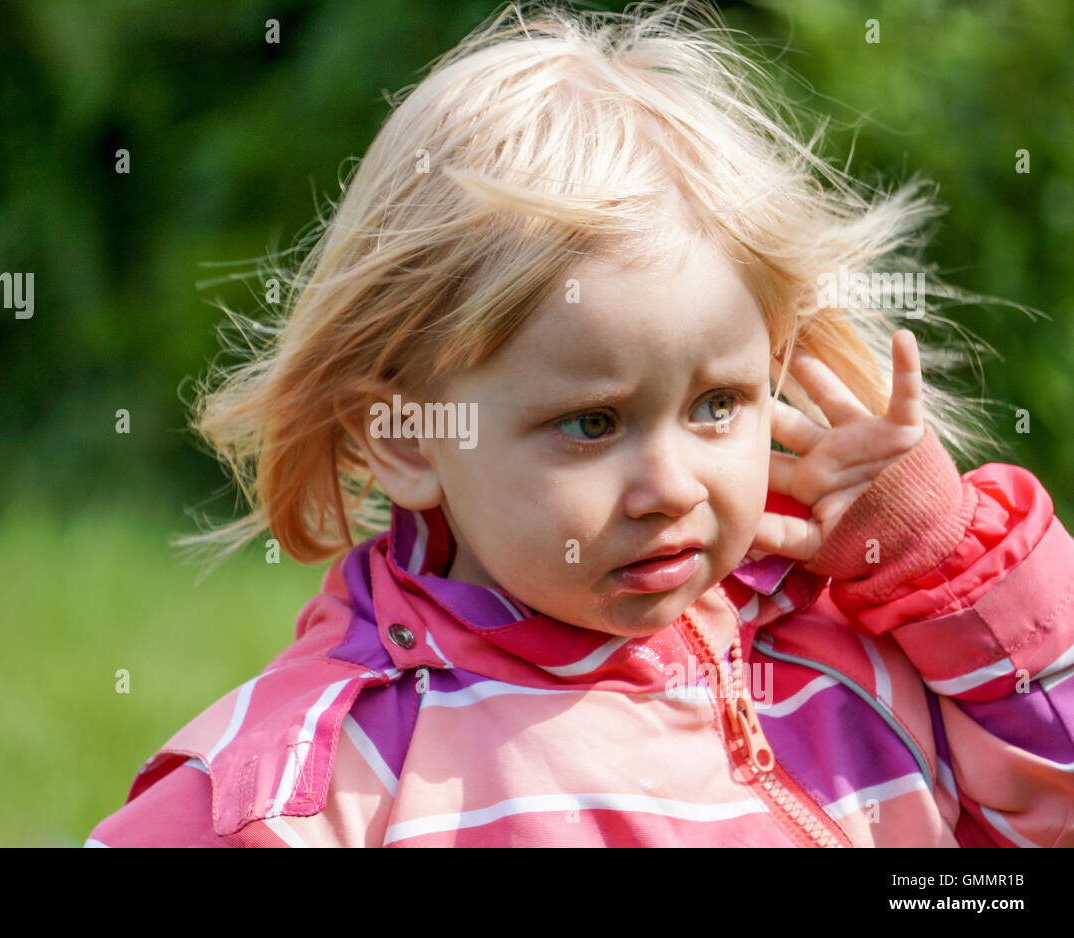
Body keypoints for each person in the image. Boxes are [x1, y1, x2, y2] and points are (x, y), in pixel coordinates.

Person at [86, 0, 1073, 847]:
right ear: (408, 436)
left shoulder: (853, 664)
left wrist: (944, 564)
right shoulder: (327, 779)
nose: (671, 485)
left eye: (716, 404)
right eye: (592, 423)